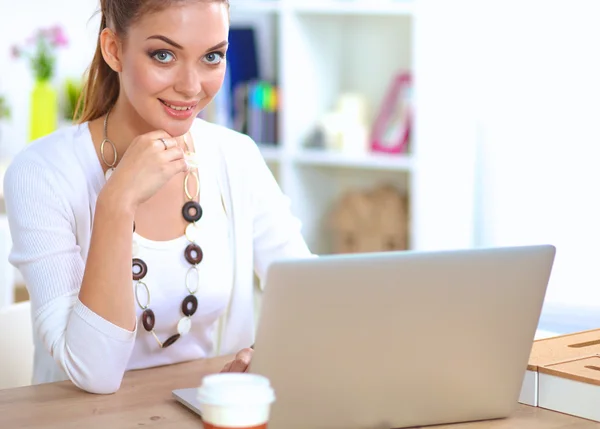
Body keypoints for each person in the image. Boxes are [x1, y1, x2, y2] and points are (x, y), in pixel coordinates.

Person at [3, 0, 312, 394]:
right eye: (164, 55)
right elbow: (93, 373)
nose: (191, 86)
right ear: (113, 49)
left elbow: (308, 299)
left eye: (212, 57)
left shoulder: (236, 157)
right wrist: (117, 203)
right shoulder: (42, 173)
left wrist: (268, 355)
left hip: (207, 412)